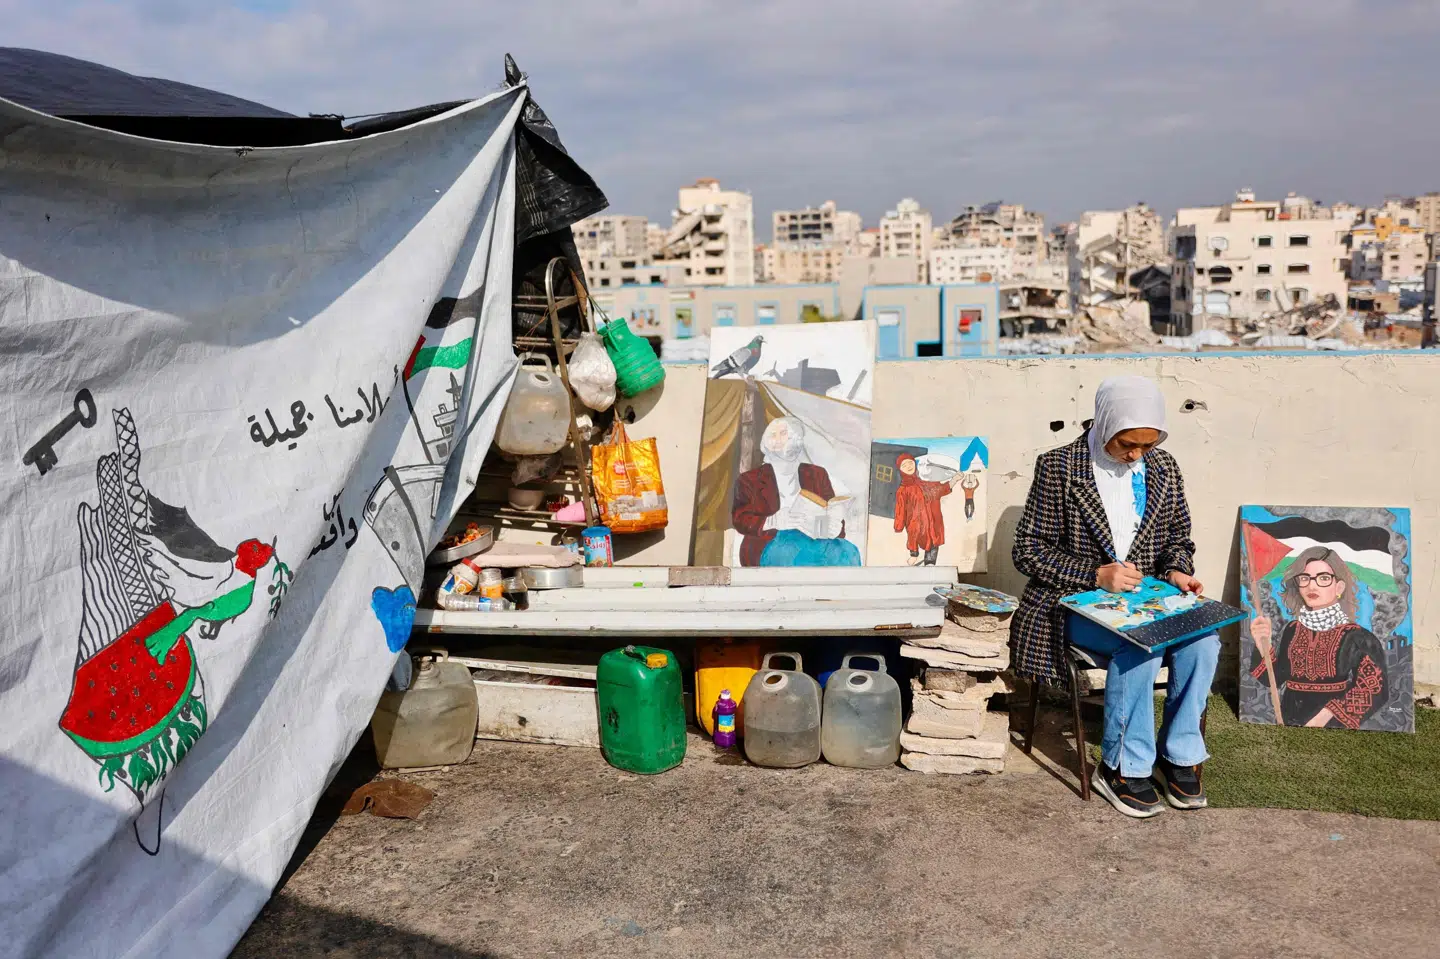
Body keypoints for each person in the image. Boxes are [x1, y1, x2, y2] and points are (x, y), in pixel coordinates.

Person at [1011, 376, 1218, 819]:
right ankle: (1122, 767)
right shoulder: (1059, 467)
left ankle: (1179, 756)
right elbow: (1027, 550)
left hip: (1146, 601)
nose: (1135, 454)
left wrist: (1178, 570)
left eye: (1147, 444)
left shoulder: (1164, 468)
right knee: (1139, 646)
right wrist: (1093, 573)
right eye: (1127, 443)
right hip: (1073, 604)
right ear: (1104, 425)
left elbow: (1178, 538)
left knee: (1203, 642)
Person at [1249, 547, 1389, 729]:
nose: (1311, 586)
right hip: (1288, 717)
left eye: (1323, 578)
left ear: (1339, 587)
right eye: (1305, 578)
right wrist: (1262, 645)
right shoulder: (1292, 629)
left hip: (1333, 722)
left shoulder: (1358, 637)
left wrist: (1325, 716)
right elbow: (1274, 679)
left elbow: (1374, 689)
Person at [732, 416, 861, 568]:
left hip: (816, 541)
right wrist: (773, 521)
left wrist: (835, 528)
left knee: (849, 552)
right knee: (795, 555)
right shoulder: (749, 480)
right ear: (766, 443)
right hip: (772, 543)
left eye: (784, 433)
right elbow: (740, 519)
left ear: (796, 437)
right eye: (773, 435)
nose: (778, 439)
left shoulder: (816, 474)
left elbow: (830, 509)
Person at [892, 453, 959, 566]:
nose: (909, 466)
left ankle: (930, 562)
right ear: (900, 469)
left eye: (910, 463)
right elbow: (900, 508)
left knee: (933, 540)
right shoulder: (902, 490)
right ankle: (914, 554)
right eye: (904, 465)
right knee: (914, 538)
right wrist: (899, 525)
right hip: (915, 523)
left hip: (933, 519)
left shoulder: (927, 481)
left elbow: (940, 490)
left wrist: (955, 480)